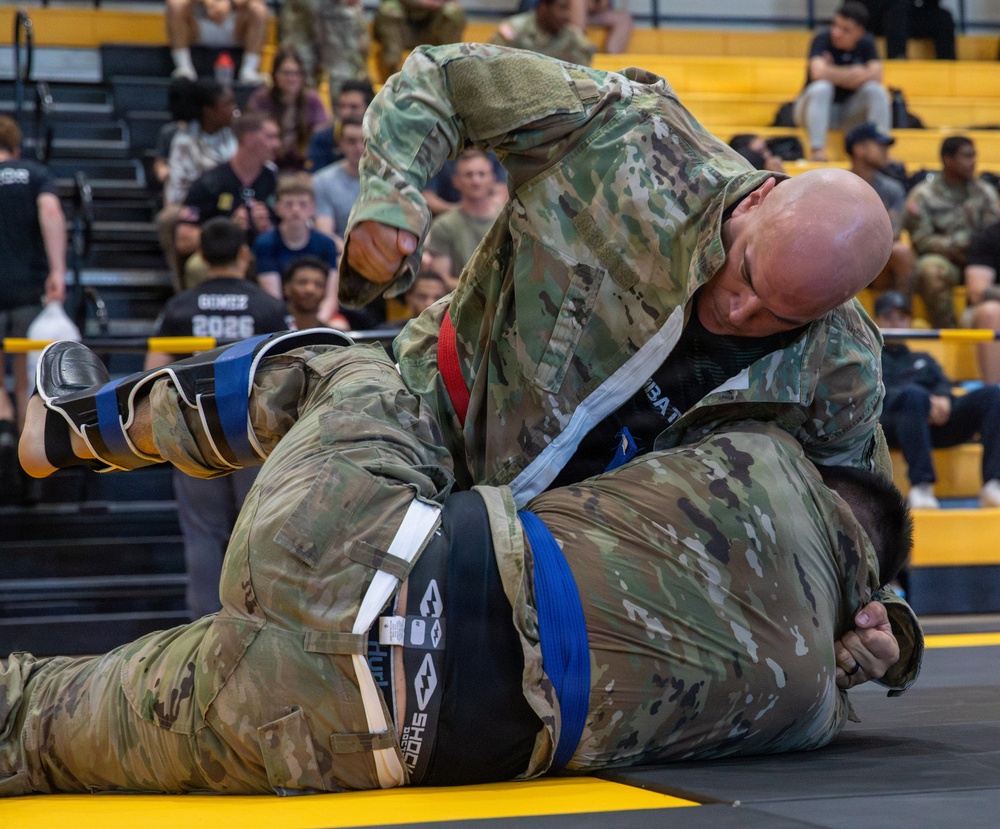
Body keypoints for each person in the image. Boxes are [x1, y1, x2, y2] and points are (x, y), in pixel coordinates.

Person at [18, 42, 919, 772]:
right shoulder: (636, 135)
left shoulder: (839, 361)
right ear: (758, 194)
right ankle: (82, 425)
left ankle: (99, 699)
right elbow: (443, 78)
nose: (740, 313)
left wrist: (892, 634)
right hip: (436, 401)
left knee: (289, 661)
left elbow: (858, 526)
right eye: (748, 277)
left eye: (782, 316)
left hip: (517, 543)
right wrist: (392, 199)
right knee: (324, 376)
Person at [8, 329, 917, 794]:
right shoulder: (807, 711)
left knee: (369, 367)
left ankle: (81, 423)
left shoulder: (764, 462)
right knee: (41, 723)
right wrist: (885, 642)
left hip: (359, 547)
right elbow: (866, 662)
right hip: (359, 737)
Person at [145, 217, 287, 618]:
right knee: (257, 532)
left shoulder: (179, 307)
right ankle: (259, 623)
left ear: (202, 257)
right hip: (251, 433)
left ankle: (202, 630)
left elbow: (150, 374)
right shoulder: (267, 306)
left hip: (193, 433)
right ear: (245, 254)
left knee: (204, 535)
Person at [874, 289, 1000, 509]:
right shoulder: (870, 358)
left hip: (932, 424)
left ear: (909, 321)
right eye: (889, 317)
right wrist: (925, 401)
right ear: (877, 321)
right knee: (914, 395)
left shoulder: (922, 358)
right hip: (893, 425)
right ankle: (921, 485)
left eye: (902, 317)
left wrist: (942, 398)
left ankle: (994, 483)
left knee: (992, 395)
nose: (896, 323)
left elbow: (943, 384)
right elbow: (876, 395)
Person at [0, 114, 66, 476]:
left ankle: (3, 437)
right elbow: (51, 211)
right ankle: (31, 463)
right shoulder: (35, 173)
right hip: (28, 289)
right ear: (16, 145)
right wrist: (57, 271)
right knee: (28, 376)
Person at [903, 135, 1000, 329]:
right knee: (930, 269)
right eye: (966, 156)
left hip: (986, 261)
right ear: (948, 159)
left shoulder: (985, 192)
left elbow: (994, 232)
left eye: (974, 156)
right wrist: (962, 244)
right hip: (948, 262)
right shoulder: (924, 195)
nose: (973, 162)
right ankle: (949, 331)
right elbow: (922, 241)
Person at [175, 112, 280, 286]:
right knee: (197, 267)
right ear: (248, 139)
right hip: (220, 257)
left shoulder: (275, 183)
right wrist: (226, 232)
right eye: (270, 137)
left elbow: (294, 233)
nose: (277, 144)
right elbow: (183, 239)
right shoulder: (210, 182)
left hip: (265, 253)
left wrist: (268, 231)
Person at [157, 79, 238, 290]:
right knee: (170, 218)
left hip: (231, 205)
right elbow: (177, 193)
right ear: (209, 110)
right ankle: (181, 291)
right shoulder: (183, 141)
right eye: (227, 104)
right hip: (196, 208)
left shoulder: (237, 136)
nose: (234, 109)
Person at [793, 2, 890, 162]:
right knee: (822, 87)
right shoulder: (822, 39)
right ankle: (817, 150)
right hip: (810, 111)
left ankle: (880, 151)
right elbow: (817, 73)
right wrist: (855, 74)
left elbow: (876, 76)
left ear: (860, 32)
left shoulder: (867, 43)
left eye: (845, 30)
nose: (837, 33)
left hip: (847, 113)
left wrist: (831, 72)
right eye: (835, 26)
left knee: (876, 91)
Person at [846, 121, 914, 294]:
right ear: (859, 148)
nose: (887, 153)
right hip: (844, 254)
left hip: (877, 256)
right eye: (880, 146)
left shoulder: (893, 188)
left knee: (899, 251)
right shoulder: (836, 184)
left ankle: (898, 313)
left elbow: (894, 232)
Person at [251, 172, 338, 302]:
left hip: (316, 310)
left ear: (312, 209)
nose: (296, 210)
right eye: (289, 204)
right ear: (278, 208)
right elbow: (273, 297)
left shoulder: (326, 244)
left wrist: (318, 320)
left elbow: (331, 297)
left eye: (302, 204)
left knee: (338, 323)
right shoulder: (265, 243)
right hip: (280, 311)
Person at [423, 150, 503, 290]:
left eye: (481, 174)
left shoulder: (509, 220)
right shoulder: (444, 225)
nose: (475, 180)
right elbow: (444, 281)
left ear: (492, 178)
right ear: (456, 181)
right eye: (468, 175)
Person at [244, 49, 329, 173]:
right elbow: (252, 135)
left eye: (297, 73)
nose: (292, 78)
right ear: (275, 75)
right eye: (286, 73)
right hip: (268, 164)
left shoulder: (312, 100)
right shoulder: (261, 99)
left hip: (304, 166)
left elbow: (321, 136)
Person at [278, 0, 370, 101]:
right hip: (300, 7)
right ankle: (297, 114)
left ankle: (345, 115)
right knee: (298, 68)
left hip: (337, 7)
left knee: (342, 74)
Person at [165, 0, 269, 83]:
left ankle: (249, 71)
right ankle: (184, 68)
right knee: (175, 4)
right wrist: (207, 2)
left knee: (259, 10)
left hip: (235, 23)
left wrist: (230, 4)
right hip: (198, 24)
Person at [372, 0, 466, 83]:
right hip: (401, 22)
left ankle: (447, 71)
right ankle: (393, 77)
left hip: (432, 21)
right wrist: (420, 2)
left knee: (453, 11)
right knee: (390, 9)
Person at [312, 115, 364, 252]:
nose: (359, 148)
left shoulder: (390, 179)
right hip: (343, 253)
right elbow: (326, 233)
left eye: (364, 140)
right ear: (340, 144)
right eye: (351, 141)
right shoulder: (323, 181)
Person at [491, 0, 596, 67]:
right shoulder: (514, 29)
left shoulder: (571, 34)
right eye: (562, 8)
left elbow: (585, 67)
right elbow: (492, 64)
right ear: (544, 6)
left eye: (569, 9)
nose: (567, 16)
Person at [306, 79, 375, 173]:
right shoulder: (322, 139)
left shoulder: (381, 138)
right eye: (342, 106)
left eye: (354, 107)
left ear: (369, 108)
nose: (345, 113)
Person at [964, 221, 1000, 384]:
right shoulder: (989, 236)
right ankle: (994, 394)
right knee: (991, 311)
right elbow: (978, 291)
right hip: (985, 311)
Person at [859, 0, 956, 60]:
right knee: (898, 6)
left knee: (943, 18)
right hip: (878, 18)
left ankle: (949, 67)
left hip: (909, 17)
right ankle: (898, 59)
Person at [281, 255, 349, 330]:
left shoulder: (329, 336)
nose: (310, 290)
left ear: (326, 291)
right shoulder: (269, 329)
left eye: (318, 284)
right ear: (286, 288)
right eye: (302, 282)